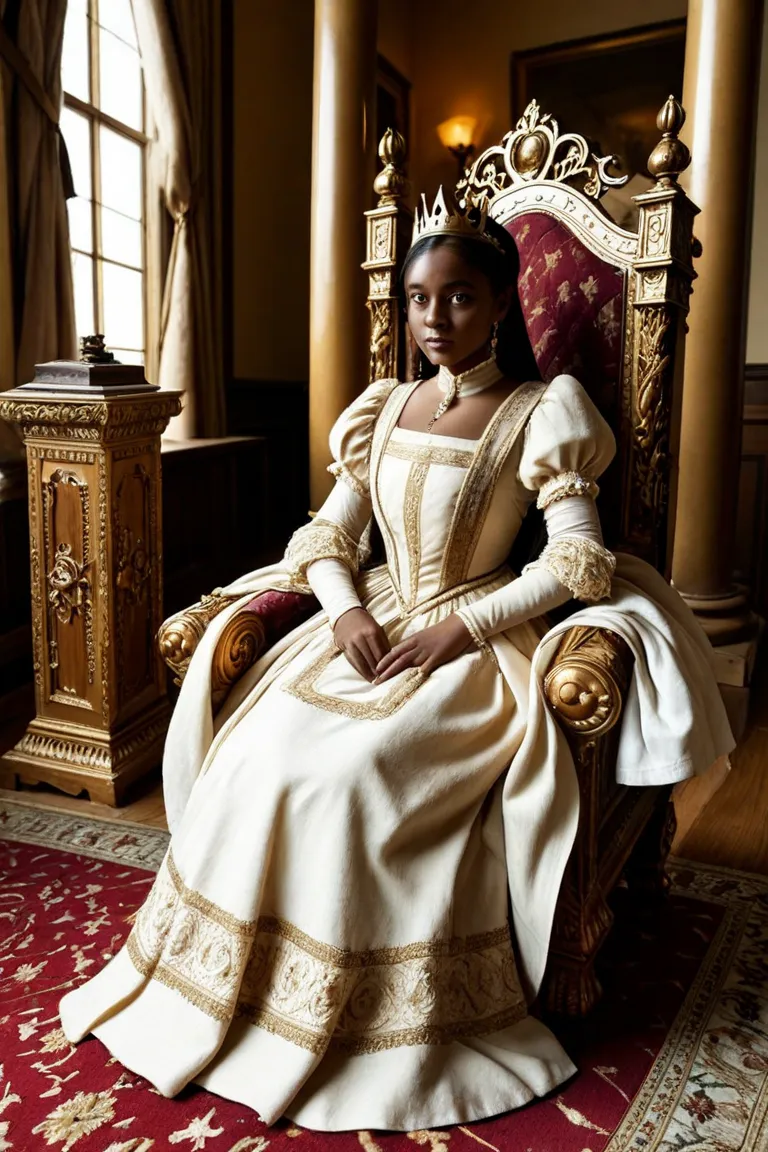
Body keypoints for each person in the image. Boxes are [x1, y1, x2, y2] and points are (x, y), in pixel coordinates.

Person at [59, 189, 733, 1132]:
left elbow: (576, 558)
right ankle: (238, 992)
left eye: (457, 298)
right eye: (418, 299)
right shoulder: (383, 405)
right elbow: (330, 533)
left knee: (354, 775)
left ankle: (366, 1013)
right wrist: (341, 613)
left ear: (502, 302)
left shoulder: (544, 410)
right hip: (370, 623)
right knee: (261, 756)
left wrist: (461, 627)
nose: (433, 319)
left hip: (475, 635)